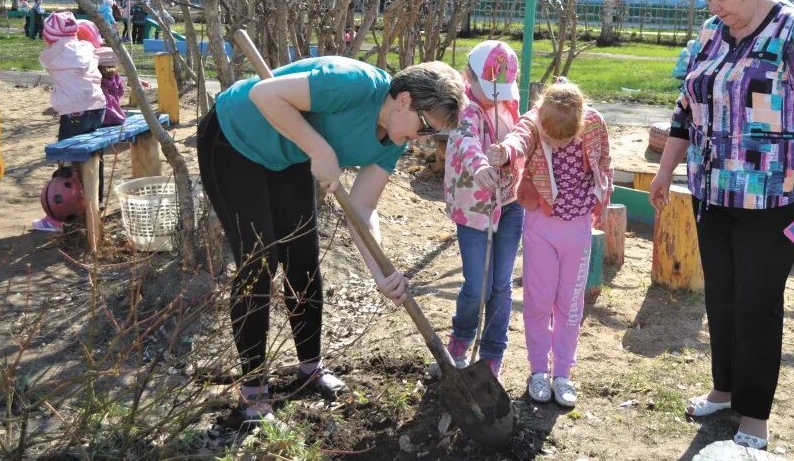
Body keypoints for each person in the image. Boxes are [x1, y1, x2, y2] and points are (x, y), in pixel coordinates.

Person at [646, 0, 794, 450]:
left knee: (757, 303)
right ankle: (725, 388)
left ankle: (754, 416)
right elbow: (686, 106)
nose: (714, 9)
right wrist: (666, 170)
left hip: (773, 199)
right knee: (722, 297)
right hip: (713, 192)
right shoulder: (712, 32)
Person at [196, 55, 465, 426]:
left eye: (431, 134)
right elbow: (264, 94)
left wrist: (380, 271)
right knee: (261, 261)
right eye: (425, 127)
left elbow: (363, 206)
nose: (422, 139)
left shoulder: (393, 141)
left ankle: (310, 367)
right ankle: (253, 390)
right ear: (404, 100)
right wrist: (321, 150)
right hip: (235, 136)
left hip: (288, 152)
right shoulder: (351, 84)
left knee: (303, 257)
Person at [486, 79, 611, 409]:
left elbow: (605, 164)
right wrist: (505, 152)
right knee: (538, 301)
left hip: (579, 229)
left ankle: (563, 374)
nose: (554, 145)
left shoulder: (594, 124)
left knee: (570, 305)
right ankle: (539, 370)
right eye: (550, 138)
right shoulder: (534, 120)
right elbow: (519, 137)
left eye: (563, 140)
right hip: (541, 225)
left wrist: (603, 201)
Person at [441, 41, 525, 379]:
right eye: (487, 89)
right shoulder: (465, 108)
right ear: (468, 77)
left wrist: (508, 152)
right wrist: (479, 167)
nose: (494, 97)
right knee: (477, 284)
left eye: (500, 90)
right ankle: (461, 338)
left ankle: (493, 351)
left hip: (510, 203)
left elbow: (522, 135)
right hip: (474, 209)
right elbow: (466, 140)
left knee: (501, 285)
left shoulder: (509, 102)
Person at [33, 12, 106, 232]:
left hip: (74, 113)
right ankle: (96, 203)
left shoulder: (52, 55)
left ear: (49, 37)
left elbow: (46, 55)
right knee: (93, 157)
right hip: (97, 110)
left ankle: (59, 217)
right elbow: (91, 44)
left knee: (66, 161)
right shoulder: (87, 49)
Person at [95, 47, 126, 126]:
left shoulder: (96, 76)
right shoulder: (116, 76)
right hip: (116, 114)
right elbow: (121, 92)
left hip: (100, 115)